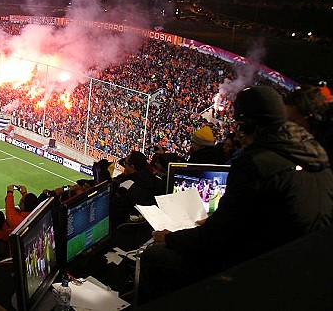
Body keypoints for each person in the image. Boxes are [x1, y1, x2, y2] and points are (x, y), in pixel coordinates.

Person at [139, 85, 333, 303]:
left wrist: (171, 238)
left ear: (249, 125)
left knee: (154, 256)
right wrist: (220, 223)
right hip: (301, 268)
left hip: (263, 276)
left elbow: (216, 240)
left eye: (240, 126)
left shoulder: (255, 163)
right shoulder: (316, 155)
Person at [111, 150, 164, 226]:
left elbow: (117, 210)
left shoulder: (128, 184)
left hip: (132, 226)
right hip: (153, 222)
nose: (124, 166)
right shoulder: (153, 178)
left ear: (132, 167)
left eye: (125, 163)